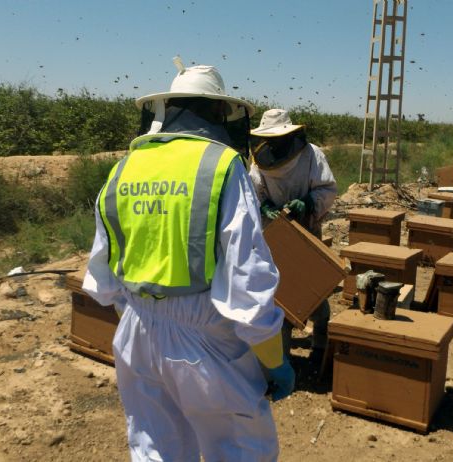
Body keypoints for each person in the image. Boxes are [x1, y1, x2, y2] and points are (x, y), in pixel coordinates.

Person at [82, 58, 294, 461]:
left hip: (135, 334)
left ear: (166, 110)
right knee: (239, 449)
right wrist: (273, 359)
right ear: (219, 112)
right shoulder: (222, 167)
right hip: (206, 342)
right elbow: (247, 287)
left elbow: (103, 278)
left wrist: (148, 320)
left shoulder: (125, 168)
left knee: (155, 448)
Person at [249, 109, 338, 359]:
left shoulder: (312, 155)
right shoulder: (258, 159)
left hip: (307, 231)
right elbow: (253, 193)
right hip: (275, 234)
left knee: (314, 291)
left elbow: (328, 189)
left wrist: (308, 202)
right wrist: (265, 207)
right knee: (281, 298)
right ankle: (281, 359)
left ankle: (321, 342)